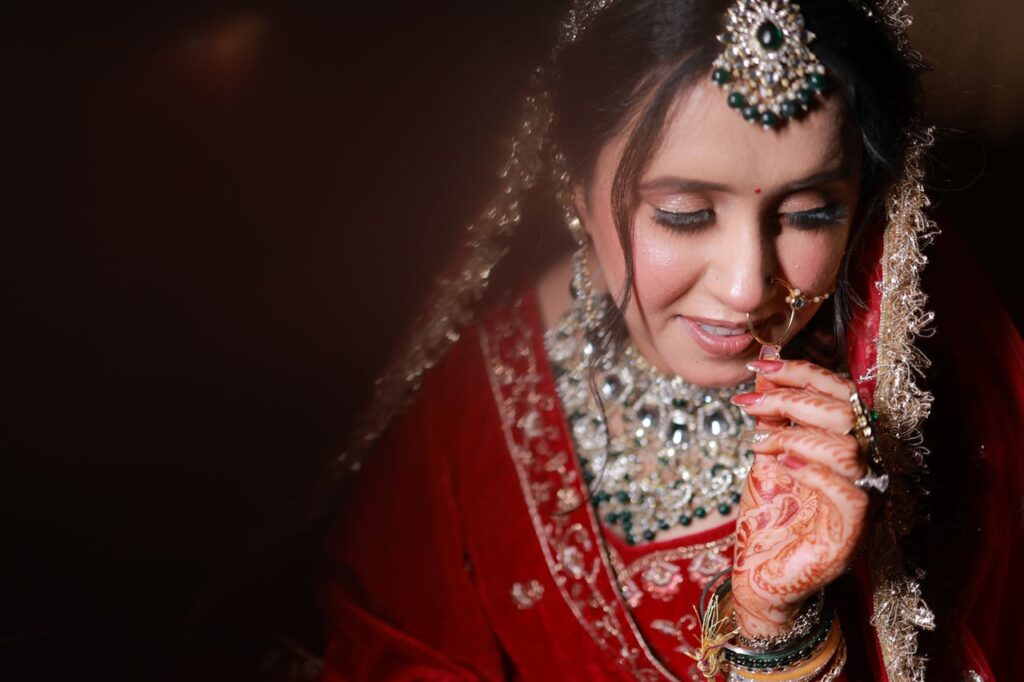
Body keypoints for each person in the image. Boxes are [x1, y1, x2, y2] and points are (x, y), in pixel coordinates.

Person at [320, 0, 1024, 679]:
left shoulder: (929, 404)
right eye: (684, 215)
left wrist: (777, 632)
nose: (748, 287)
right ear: (573, 189)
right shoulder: (473, 408)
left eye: (809, 213)